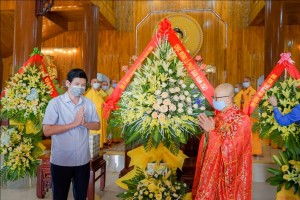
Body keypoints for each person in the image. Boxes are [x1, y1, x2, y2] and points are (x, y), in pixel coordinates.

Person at [42, 69, 100, 200]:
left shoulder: (88, 103)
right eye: (77, 84)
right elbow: (47, 130)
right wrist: (74, 124)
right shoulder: (55, 103)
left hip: (82, 160)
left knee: (81, 196)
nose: (80, 88)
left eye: (83, 85)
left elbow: (97, 125)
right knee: (59, 196)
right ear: (68, 83)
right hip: (61, 160)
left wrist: (84, 123)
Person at [192, 83, 252, 200]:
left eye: (216, 98)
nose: (214, 101)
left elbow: (232, 151)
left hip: (229, 176)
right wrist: (207, 133)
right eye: (213, 97)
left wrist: (211, 132)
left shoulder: (241, 120)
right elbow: (210, 140)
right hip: (214, 173)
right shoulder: (219, 117)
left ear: (229, 99)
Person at [85, 78, 107, 148]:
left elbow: (102, 103)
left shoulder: (98, 93)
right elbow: (87, 106)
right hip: (94, 116)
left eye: (97, 82)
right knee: (95, 131)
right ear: (91, 84)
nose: (96, 83)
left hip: (100, 114)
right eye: (94, 82)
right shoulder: (89, 93)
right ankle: (95, 145)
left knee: (100, 129)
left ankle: (99, 144)